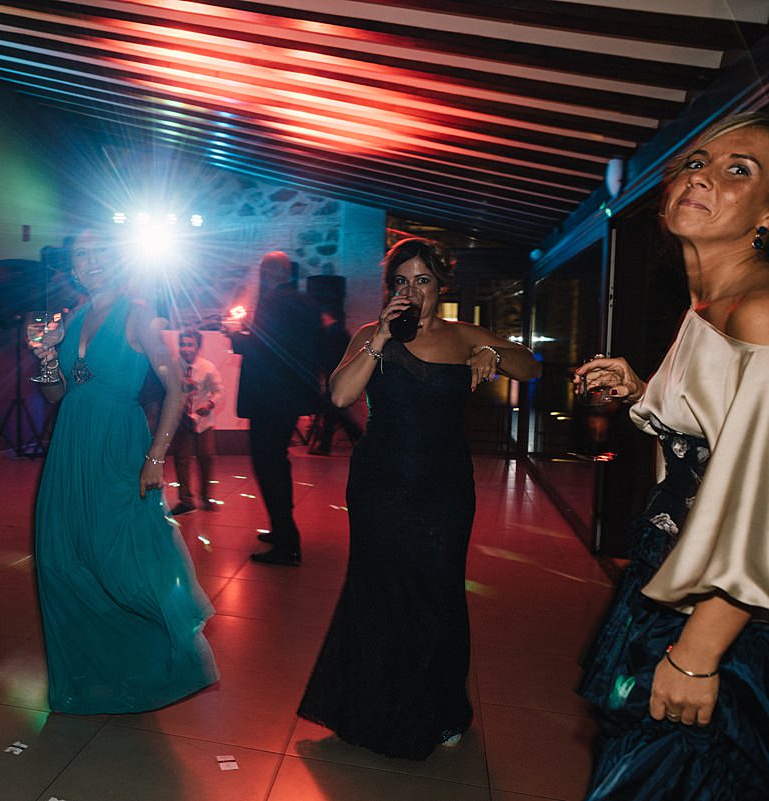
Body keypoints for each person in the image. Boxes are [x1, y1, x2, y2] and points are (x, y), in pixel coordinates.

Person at [574, 112, 769, 800]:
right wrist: (643, 394)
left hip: (718, 610)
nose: (703, 176)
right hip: (666, 574)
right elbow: (719, 440)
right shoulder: (708, 306)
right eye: (696, 161)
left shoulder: (759, 313)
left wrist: (698, 654)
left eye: (738, 169)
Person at [297, 237, 539, 759]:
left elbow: (530, 366)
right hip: (380, 484)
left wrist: (493, 352)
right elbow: (340, 394)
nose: (411, 291)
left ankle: (441, 707)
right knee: (378, 590)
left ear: (440, 286)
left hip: (444, 487)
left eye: (422, 280)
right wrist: (381, 338)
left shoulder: (464, 335)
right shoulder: (371, 333)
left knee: (439, 592)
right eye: (401, 282)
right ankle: (369, 707)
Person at [29, 229, 218, 713]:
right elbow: (57, 395)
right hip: (71, 447)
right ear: (72, 267)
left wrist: (155, 458)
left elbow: (176, 390)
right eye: (81, 255)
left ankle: (159, 653)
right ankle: (99, 668)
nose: (90, 261)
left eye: (99, 254)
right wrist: (46, 359)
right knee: (61, 559)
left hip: (119, 446)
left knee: (121, 563)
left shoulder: (138, 314)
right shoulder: (73, 317)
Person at [224, 251, 321, 566]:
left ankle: (287, 541)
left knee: (268, 466)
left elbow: (261, 348)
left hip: (269, 398)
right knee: (277, 462)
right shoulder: (305, 302)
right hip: (288, 396)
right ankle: (281, 530)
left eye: (263, 271)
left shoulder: (272, 302)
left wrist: (234, 334)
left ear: (270, 273)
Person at [169, 328, 223, 515]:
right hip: (182, 421)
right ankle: (185, 501)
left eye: (190, 345)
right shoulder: (173, 366)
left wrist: (210, 404)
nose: (185, 349)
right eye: (182, 345)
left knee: (206, 457)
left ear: (198, 347)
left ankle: (205, 498)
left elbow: (219, 391)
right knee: (181, 459)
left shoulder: (208, 367)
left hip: (203, 421)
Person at [308, 308, 362, 455]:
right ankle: (327, 444)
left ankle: (327, 445)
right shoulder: (340, 332)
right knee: (335, 412)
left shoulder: (332, 333)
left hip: (334, 377)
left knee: (334, 411)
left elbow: (328, 357)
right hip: (340, 377)